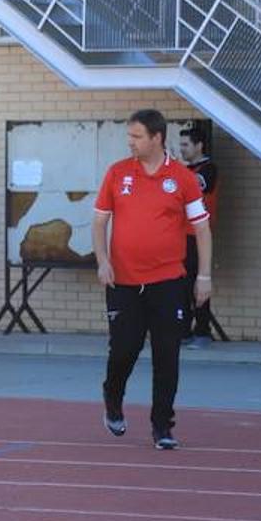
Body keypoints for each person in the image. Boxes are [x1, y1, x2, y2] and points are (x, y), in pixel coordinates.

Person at [93, 109, 212, 451]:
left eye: (137, 136)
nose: (130, 142)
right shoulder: (117, 173)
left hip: (168, 282)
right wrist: (103, 262)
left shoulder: (183, 178)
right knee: (124, 350)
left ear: (157, 138)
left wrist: (203, 276)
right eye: (128, 136)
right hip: (124, 283)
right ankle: (112, 396)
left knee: (167, 355)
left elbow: (202, 230)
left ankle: (162, 426)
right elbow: (100, 222)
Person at [179, 125, 218, 349]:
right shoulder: (185, 171)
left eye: (186, 145)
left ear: (198, 145)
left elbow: (194, 186)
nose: (182, 149)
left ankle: (203, 331)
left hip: (199, 236)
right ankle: (184, 330)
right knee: (181, 285)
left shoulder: (208, 169)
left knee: (198, 284)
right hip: (181, 235)